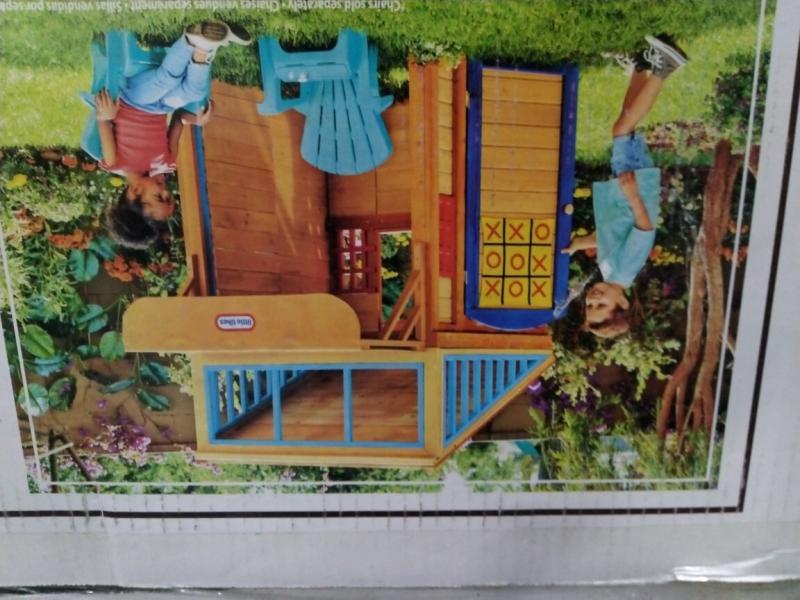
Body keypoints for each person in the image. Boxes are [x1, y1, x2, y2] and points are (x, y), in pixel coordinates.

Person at [561, 35, 689, 338]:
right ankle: (665, 68)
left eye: (589, 306)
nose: (593, 299)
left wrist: (580, 244)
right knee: (622, 129)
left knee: (623, 126)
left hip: (626, 188)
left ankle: (640, 66)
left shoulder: (611, 271)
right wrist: (632, 195)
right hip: (632, 187)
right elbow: (644, 229)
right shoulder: (625, 270)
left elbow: (609, 237)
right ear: (622, 302)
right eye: (601, 305)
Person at [96, 22, 251, 248]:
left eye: (159, 197)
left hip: (133, 99)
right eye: (169, 198)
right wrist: (198, 121)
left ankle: (191, 38)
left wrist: (106, 115)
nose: (166, 190)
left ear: (134, 192)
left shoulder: (116, 162)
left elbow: (103, 122)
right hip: (162, 107)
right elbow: (179, 119)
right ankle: (206, 46)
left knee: (166, 80)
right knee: (193, 92)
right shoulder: (167, 164)